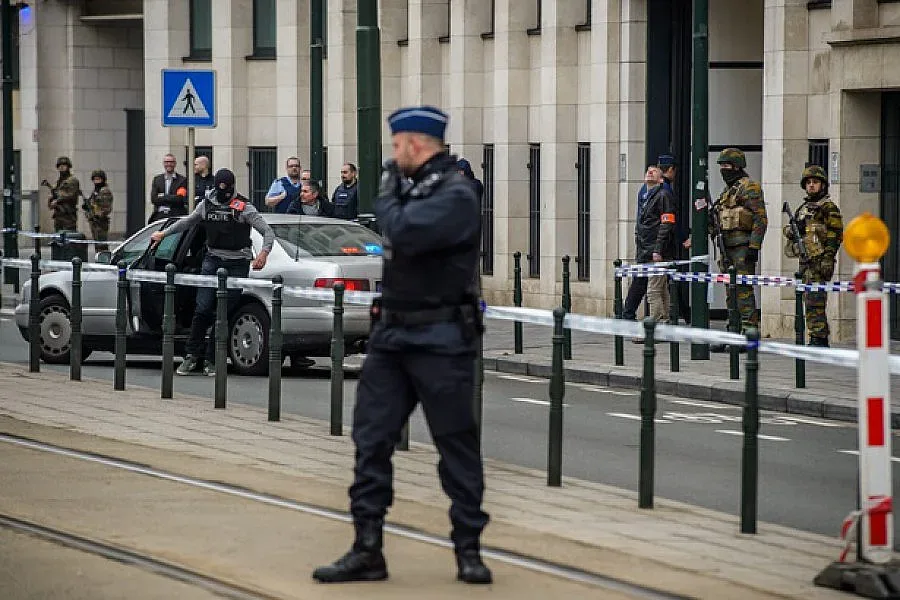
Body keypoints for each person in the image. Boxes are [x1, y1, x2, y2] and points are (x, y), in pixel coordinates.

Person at [313, 106, 491, 585]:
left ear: (414, 143)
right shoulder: (411, 188)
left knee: (456, 445)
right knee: (371, 440)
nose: (392, 156)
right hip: (392, 336)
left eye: (396, 146)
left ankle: (468, 549)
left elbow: (402, 231)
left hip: (442, 337)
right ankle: (367, 547)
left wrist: (389, 194)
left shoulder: (457, 191)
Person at [149, 168, 275, 377]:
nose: (223, 196)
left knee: (223, 312)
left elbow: (267, 232)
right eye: (220, 191)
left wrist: (263, 253)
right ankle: (191, 356)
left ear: (233, 187)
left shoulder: (243, 207)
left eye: (227, 191)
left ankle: (212, 359)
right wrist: (163, 233)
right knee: (202, 308)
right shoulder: (207, 203)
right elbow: (187, 221)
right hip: (212, 260)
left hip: (237, 264)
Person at [709, 148, 768, 350]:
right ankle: (733, 330)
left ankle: (749, 334)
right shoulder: (727, 191)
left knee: (743, 290)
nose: (723, 170)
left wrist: (754, 246)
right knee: (730, 290)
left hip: (743, 247)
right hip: (727, 247)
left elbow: (760, 218)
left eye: (726, 166)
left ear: (736, 166)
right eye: (722, 167)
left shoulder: (749, 187)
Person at [783, 165, 843, 347]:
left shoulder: (828, 207)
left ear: (822, 185)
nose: (811, 186)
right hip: (806, 261)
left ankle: (819, 337)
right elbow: (790, 230)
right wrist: (795, 230)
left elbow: (835, 234)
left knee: (816, 300)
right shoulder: (804, 208)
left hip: (820, 260)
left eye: (815, 182)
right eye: (808, 182)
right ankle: (814, 336)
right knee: (808, 300)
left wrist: (828, 258)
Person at [624, 166, 676, 341]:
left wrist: (658, 249)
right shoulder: (646, 195)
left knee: (653, 290)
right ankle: (665, 323)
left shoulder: (663, 195)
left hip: (656, 252)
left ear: (661, 179)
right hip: (646, 250)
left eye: (654, 171)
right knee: (660, 290)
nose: (649, 172)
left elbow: (666, 223)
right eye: (648, 170)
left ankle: (656, 326)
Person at [657, 154, 692, 325]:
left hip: (663, 243)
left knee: (669, 281)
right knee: (664, 284)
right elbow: (670, 221)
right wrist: (682, 239)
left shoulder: (658, 189)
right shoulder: (666, 191)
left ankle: (682, 313)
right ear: (670, 170)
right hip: (667, 244)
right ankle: (679, 314)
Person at [45, 156, 81, 233]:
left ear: (68, 167)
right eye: (59, 166)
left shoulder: (72, 180)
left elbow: (70, 194)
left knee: (69, 238)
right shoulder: (58, 182)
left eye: (64, 165)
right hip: (58, 215)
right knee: (58, 240)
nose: (61, 167)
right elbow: (54, 194)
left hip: (68, 216)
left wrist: (57, 200)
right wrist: (51, 199)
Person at [148, 154, 188, 223]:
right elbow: (154, 199)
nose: (169, 164)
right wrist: (172, 197)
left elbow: (180, 199)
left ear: (175, 164)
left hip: (175, 215)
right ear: (163, 163)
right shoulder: (157, 179)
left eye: (171, 162)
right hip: (159, 216)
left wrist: (163, 196)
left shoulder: (182, 180)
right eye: (166, 162)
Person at [85, 169, 113, 252]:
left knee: (101, 245)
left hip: (100, 222)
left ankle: (103, 261)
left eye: (98, 179)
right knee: (97, 244)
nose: (96, 181)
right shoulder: (96, 191)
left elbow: (106, 208)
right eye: (95, 179)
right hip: (94, 221)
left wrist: (98, 213)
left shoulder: (104, 191)